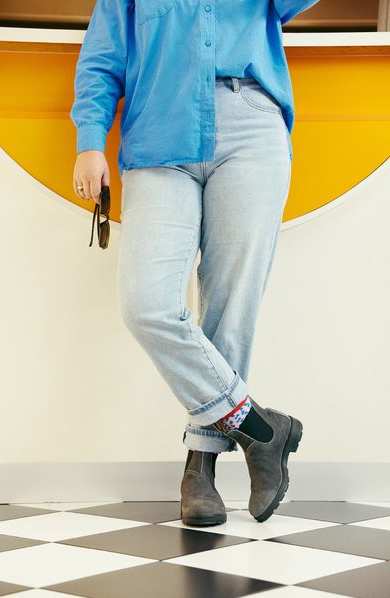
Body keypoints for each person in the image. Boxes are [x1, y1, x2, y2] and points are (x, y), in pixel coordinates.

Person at [71, 0, 320, 527]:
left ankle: (200, 469)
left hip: (249, 123)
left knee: (231, 305)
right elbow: (101, 58)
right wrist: (90, 140)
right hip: (158, 133)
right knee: (146, 304)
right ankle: (261, 431)